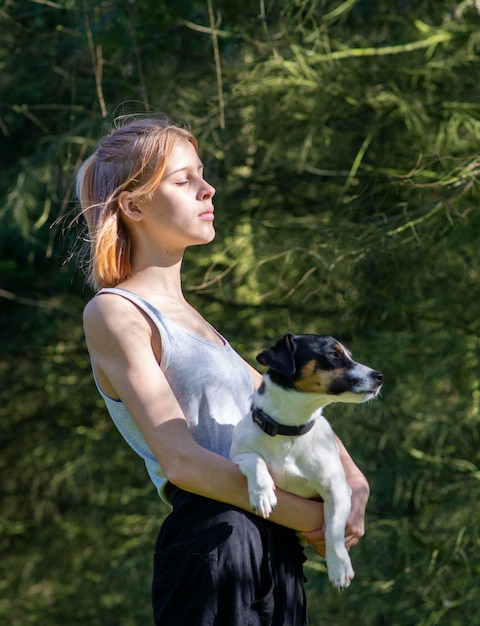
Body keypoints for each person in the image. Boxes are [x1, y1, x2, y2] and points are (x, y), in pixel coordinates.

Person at [75, 115, 370, 625]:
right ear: (134, 204)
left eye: (202, 174)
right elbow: (183, 463)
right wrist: (313, 517)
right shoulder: (115, 312)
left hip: (272, 552)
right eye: (184, 179)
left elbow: (282, 408)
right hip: (215, 545)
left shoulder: (201, 325)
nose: (209, 189)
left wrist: (352, 480)